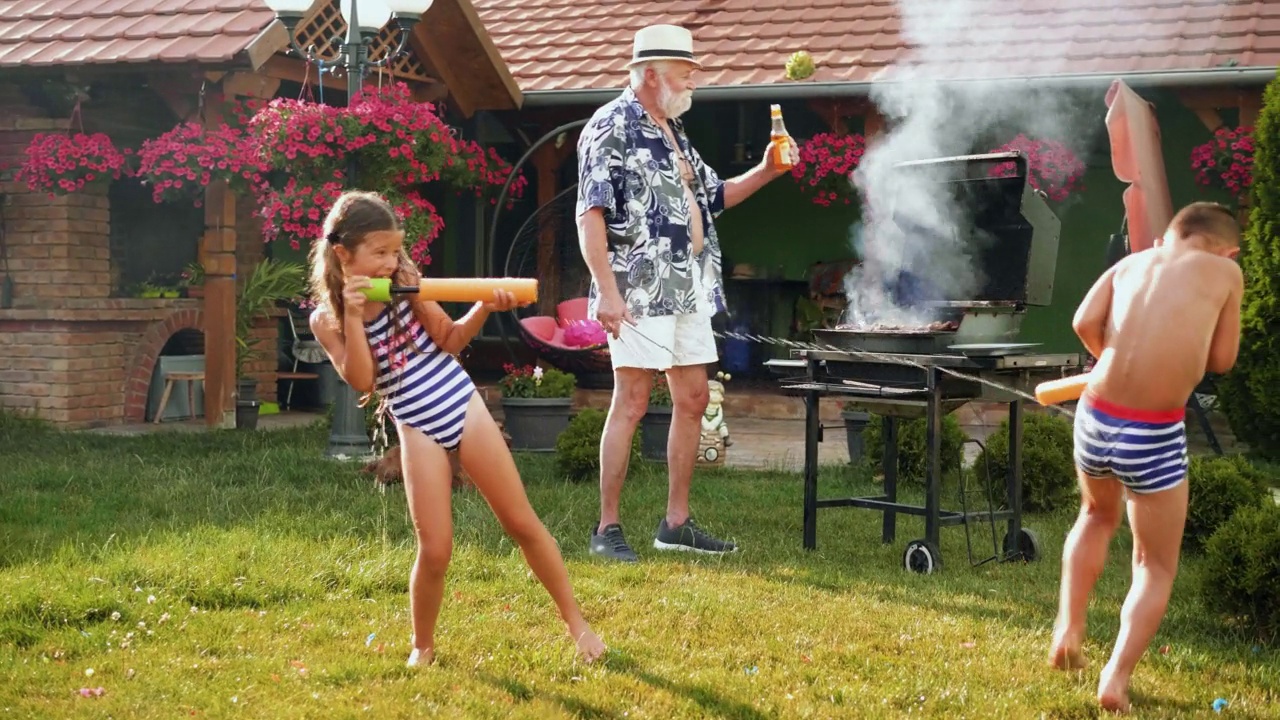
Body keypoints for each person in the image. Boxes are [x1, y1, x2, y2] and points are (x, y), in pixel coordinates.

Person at [307, 190, 606, 666]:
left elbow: (450, 340)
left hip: (460, 403)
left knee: (521, 522)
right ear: (344, 253)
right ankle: (422, 647)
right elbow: (362, 379)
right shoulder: (327, 320)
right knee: (436, 549)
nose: (391, 262)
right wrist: (354, 316)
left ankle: (579, 626)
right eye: (379, 252)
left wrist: (486, 306)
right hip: (414, 423)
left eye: (395, 250)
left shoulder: (407, 282)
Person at [575, 23, 799, 562]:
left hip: (690, 287)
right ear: (651, 74)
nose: (692, 81)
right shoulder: (610, 126)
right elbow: (591, 215)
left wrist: (768, 171)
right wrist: (607, 292)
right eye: (685, 72)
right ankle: (606, 529)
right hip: (637, 289)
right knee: (631, 400)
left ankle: (675, 523)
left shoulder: (673, 130)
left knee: (694, 399)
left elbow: (714, 196)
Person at [1050, 202, 1243, 713]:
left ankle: (1069, 627)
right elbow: (1222, 361)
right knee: (1154, 565)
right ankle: (1114, 677)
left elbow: (1083, 321)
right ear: (1228, 249)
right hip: (1153, 431)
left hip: (1095, 415)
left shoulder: (1131, 261)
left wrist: (1111, 353)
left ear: (1168, 237)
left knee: (1094, 516)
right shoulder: (1227, 271)